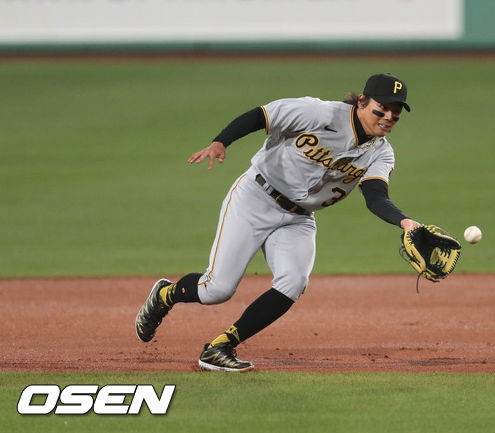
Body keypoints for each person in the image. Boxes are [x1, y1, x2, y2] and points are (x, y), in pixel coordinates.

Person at [135, 73, 420, 372]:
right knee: (216, 290)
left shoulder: (381, 153)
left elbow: (375, 196)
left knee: (294, 281)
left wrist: (404, 222)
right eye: (381, 109)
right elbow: (261, 116)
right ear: (361, 101)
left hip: (298, 219)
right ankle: (165, 295)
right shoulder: (318, 113)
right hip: (255, 198)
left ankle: (220, 346)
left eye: (395, 114)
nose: (388, 117)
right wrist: (221, 141)